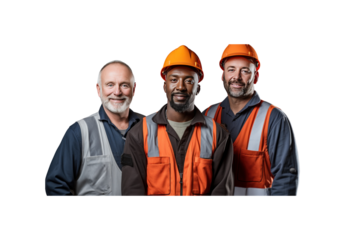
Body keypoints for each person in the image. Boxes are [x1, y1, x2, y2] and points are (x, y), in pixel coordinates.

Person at [121, 43, 234, 198]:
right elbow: (133, 192)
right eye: (174, 79)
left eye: (188, 80)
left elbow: (222, 193)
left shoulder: (218, 135)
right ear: (164, 86)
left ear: (198, 88)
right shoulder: (139, 134)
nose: (180, 87)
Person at [203, 42, 300, 198]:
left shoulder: (274, 118)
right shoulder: (207, 114)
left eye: (245, 70)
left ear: (256, 76)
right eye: (231, 69)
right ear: (222, 75)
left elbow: (285, 179)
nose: (237, 77)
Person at [44, 58, 144, 198]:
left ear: (134, 89)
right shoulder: (79, 132)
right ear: (98, 90)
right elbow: (55, 185)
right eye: (110, 84)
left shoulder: (151, 127)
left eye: (124, 85)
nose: (117, 92)